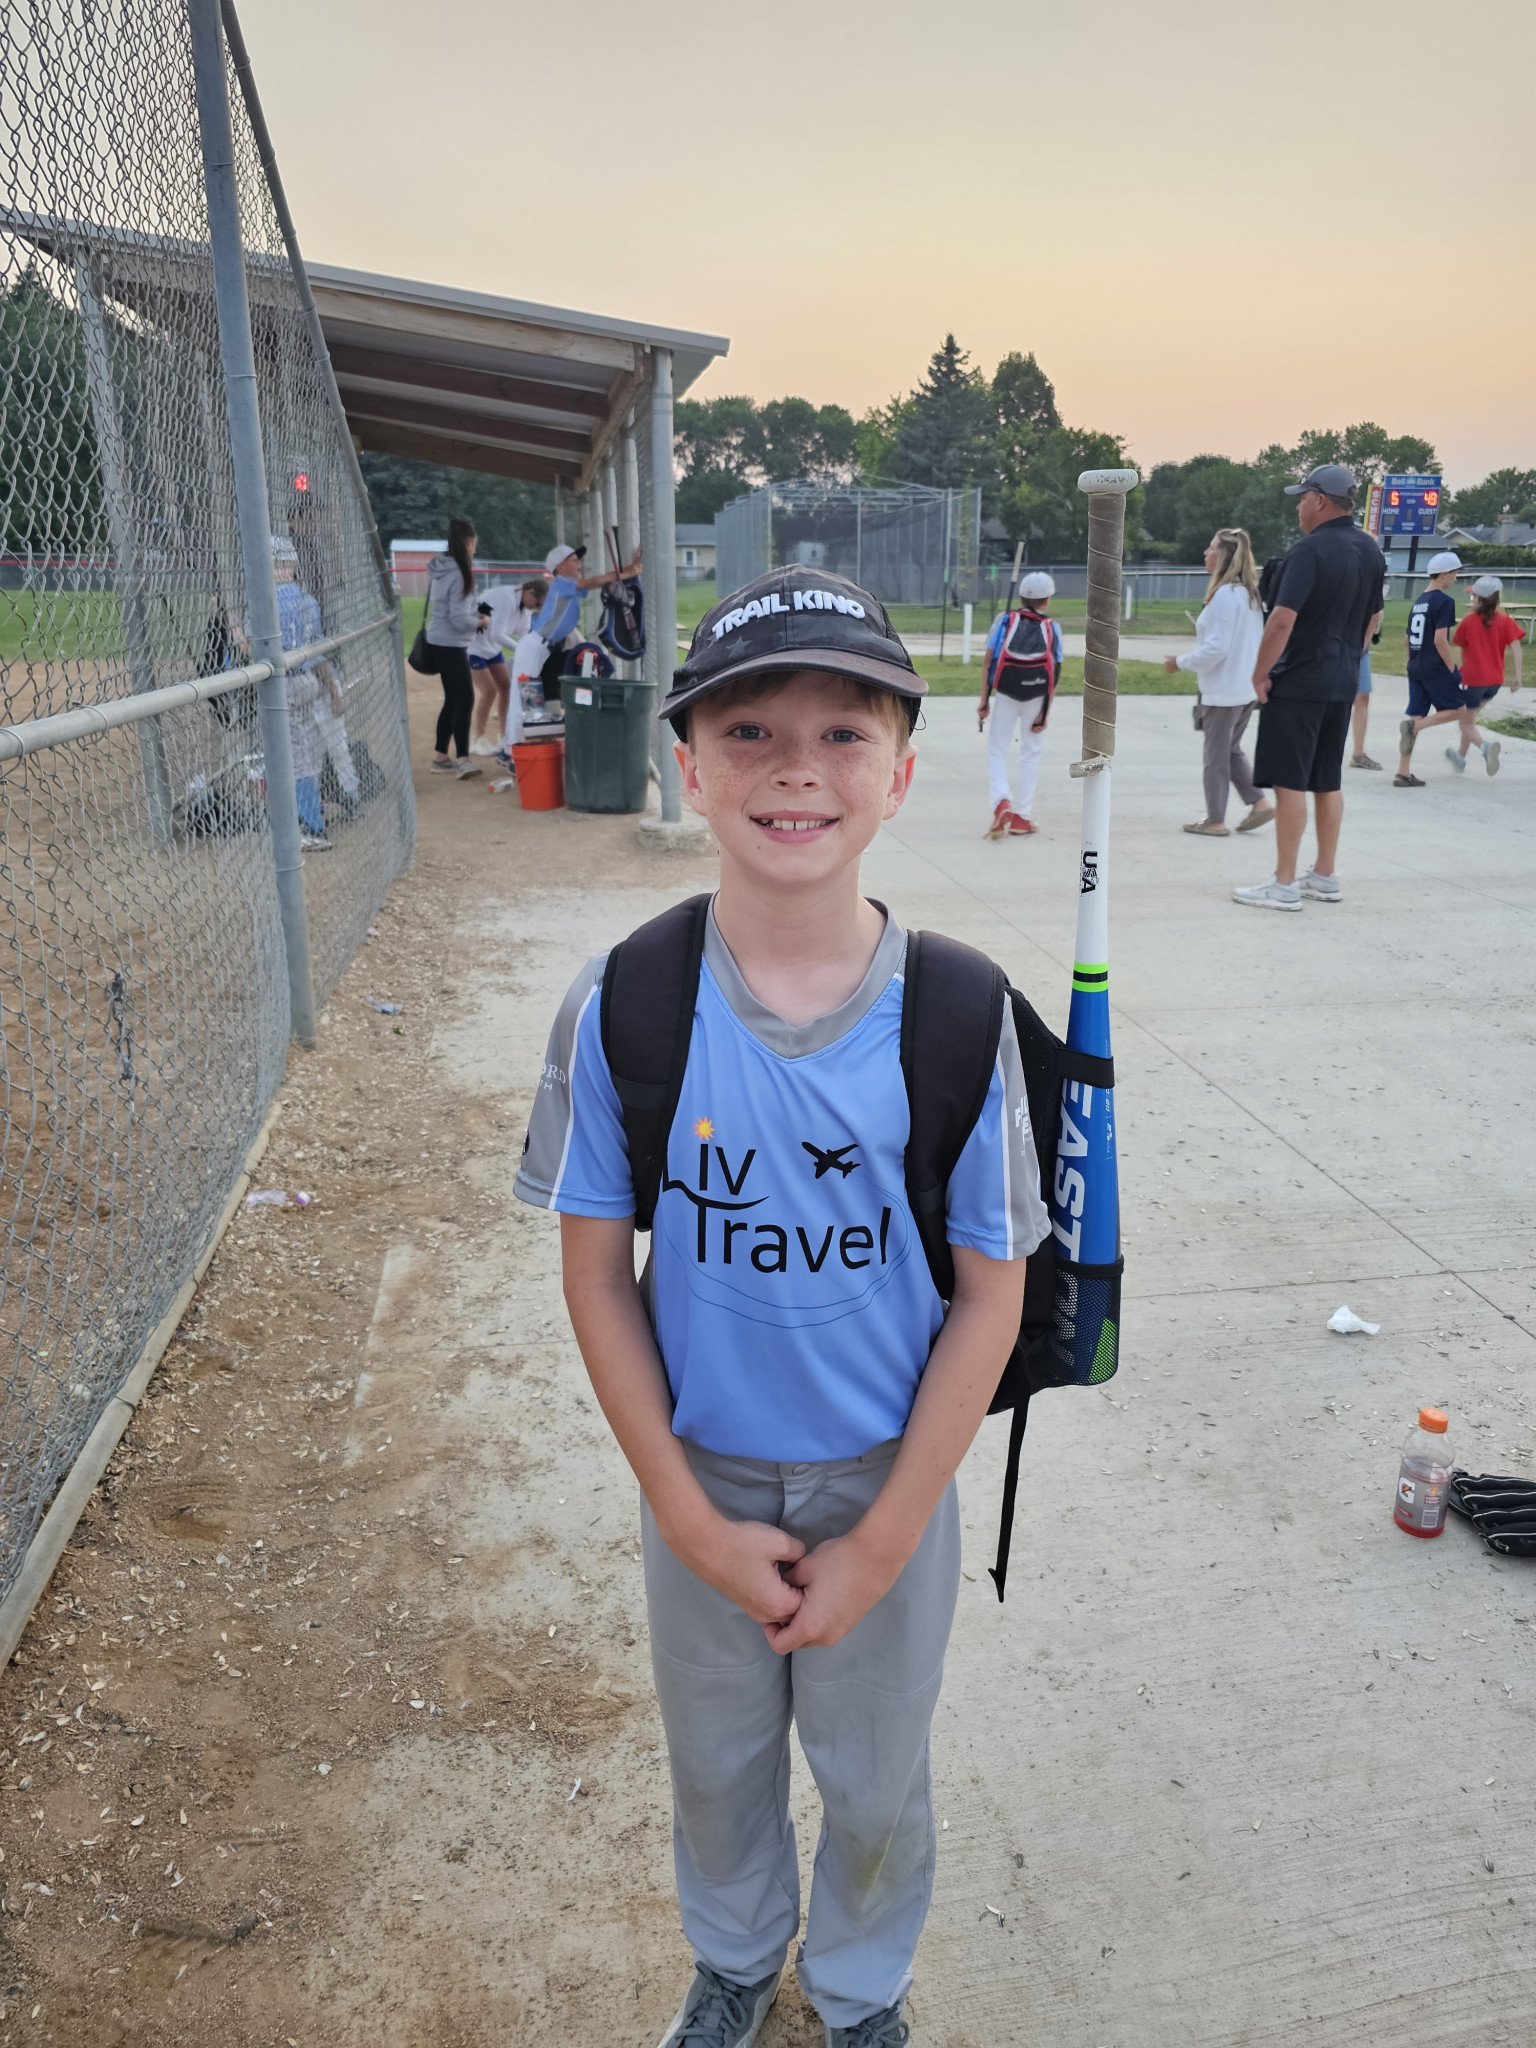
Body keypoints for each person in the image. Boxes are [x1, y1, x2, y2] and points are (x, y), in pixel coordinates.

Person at [515, 566, 1045, 2048]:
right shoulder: (626, 1001)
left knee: (876, 1774)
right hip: (705, 1471)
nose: (795, 766)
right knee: (716, 1760)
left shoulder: (957, 1012)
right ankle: (738, 1957)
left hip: (889, 1476)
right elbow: (593, 1272)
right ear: (689, 765)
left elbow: (992, 1296)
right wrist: (685, 1512)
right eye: (747, 729)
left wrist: (883, 1536)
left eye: (842, 732)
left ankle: (860, 1986)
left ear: (901, 775)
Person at [1234, 464, 1385, 911]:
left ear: (1320, 500)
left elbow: (1282, 619)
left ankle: (1283, 883)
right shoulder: (1370, 550)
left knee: (1290, 781)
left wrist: (1260, 673)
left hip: (1300, 680)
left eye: (1302, 498)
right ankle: (1324, 874)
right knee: (1327, 780)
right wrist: (1351, 658)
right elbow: (1373, 619)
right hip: (1342, 680)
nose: (1298, 507)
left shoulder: (1309, 551)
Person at [1163, 527, 1273, 835]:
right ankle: (1259, 803)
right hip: (1244, 689)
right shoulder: (1248, 593)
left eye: (1211, 548)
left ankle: (1215, 820)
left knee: (1215, 758)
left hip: (1225, 692)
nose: (1206, 553)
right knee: (1231, 750)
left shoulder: (1225, 596)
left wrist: (1179, 662)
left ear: (1224, 556)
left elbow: (1216, 650)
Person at [978, 569, 1063, 836]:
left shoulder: (1005, 620)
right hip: (1037, 695)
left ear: (1022, 597)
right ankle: (1021, 817)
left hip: (1006, 692)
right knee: (1031, 753)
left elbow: (988, 662)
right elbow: (1055, 671)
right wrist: (1045, 712)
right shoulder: (1052, 627)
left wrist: (984, 701)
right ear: (1047, 600)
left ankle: (1001, 800)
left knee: (997, 749)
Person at [269, 535, 331, 851]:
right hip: (308, 680)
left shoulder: (267, 600)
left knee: (295, 757)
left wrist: (233, 624)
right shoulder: (308, 599)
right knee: (303, 749)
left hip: (285, 685)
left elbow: (249, 648)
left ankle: (309, 825)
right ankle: (308, 811)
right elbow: (317, 647)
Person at [532, 540, 641, 703]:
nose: (579, 563)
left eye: (578, 560)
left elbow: (597, 583)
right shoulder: (561, 583)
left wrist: (625, 573)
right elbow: (595, 582)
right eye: (573, 560)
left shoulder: (566, 585)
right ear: (560, 568)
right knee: (549, 695)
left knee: (565, 681)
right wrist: (631, 571)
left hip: (550, 647)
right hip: (541, 647)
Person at [1394, 552, 1468, 787]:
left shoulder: (1418, 602)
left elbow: (1407, 640)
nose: (1455, 578)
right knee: (1459, 710)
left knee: (1416, 714)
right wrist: (1451, 667)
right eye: (1454, 573)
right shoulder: (1444, 602)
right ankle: (1416, 727)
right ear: (1444, 574)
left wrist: (1412, 662)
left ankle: (1402, 772)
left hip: (1416, 667)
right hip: (1435, 667)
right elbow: (1440, 639)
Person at [1447, 573, 1523, 775]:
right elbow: (1516, 648)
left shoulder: (1469, 621)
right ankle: (1460, 758)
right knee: (1469, 721)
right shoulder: (1506, 621)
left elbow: (1454, 644)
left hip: (1472, 681)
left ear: (1478, 598)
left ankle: (1485, 748)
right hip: (1494, 683)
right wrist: (1517, 677)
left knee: (1465, 724)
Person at [425, 518, 483, 778]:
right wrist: (481, 621)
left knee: (453, 698)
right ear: (469, 542)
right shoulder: (460, 572)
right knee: (465, 698)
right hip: (450, 643)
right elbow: (460, 620)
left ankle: (441, 756)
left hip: (439, 639)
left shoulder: (443, 567)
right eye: (474, 543)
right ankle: (463, 759)